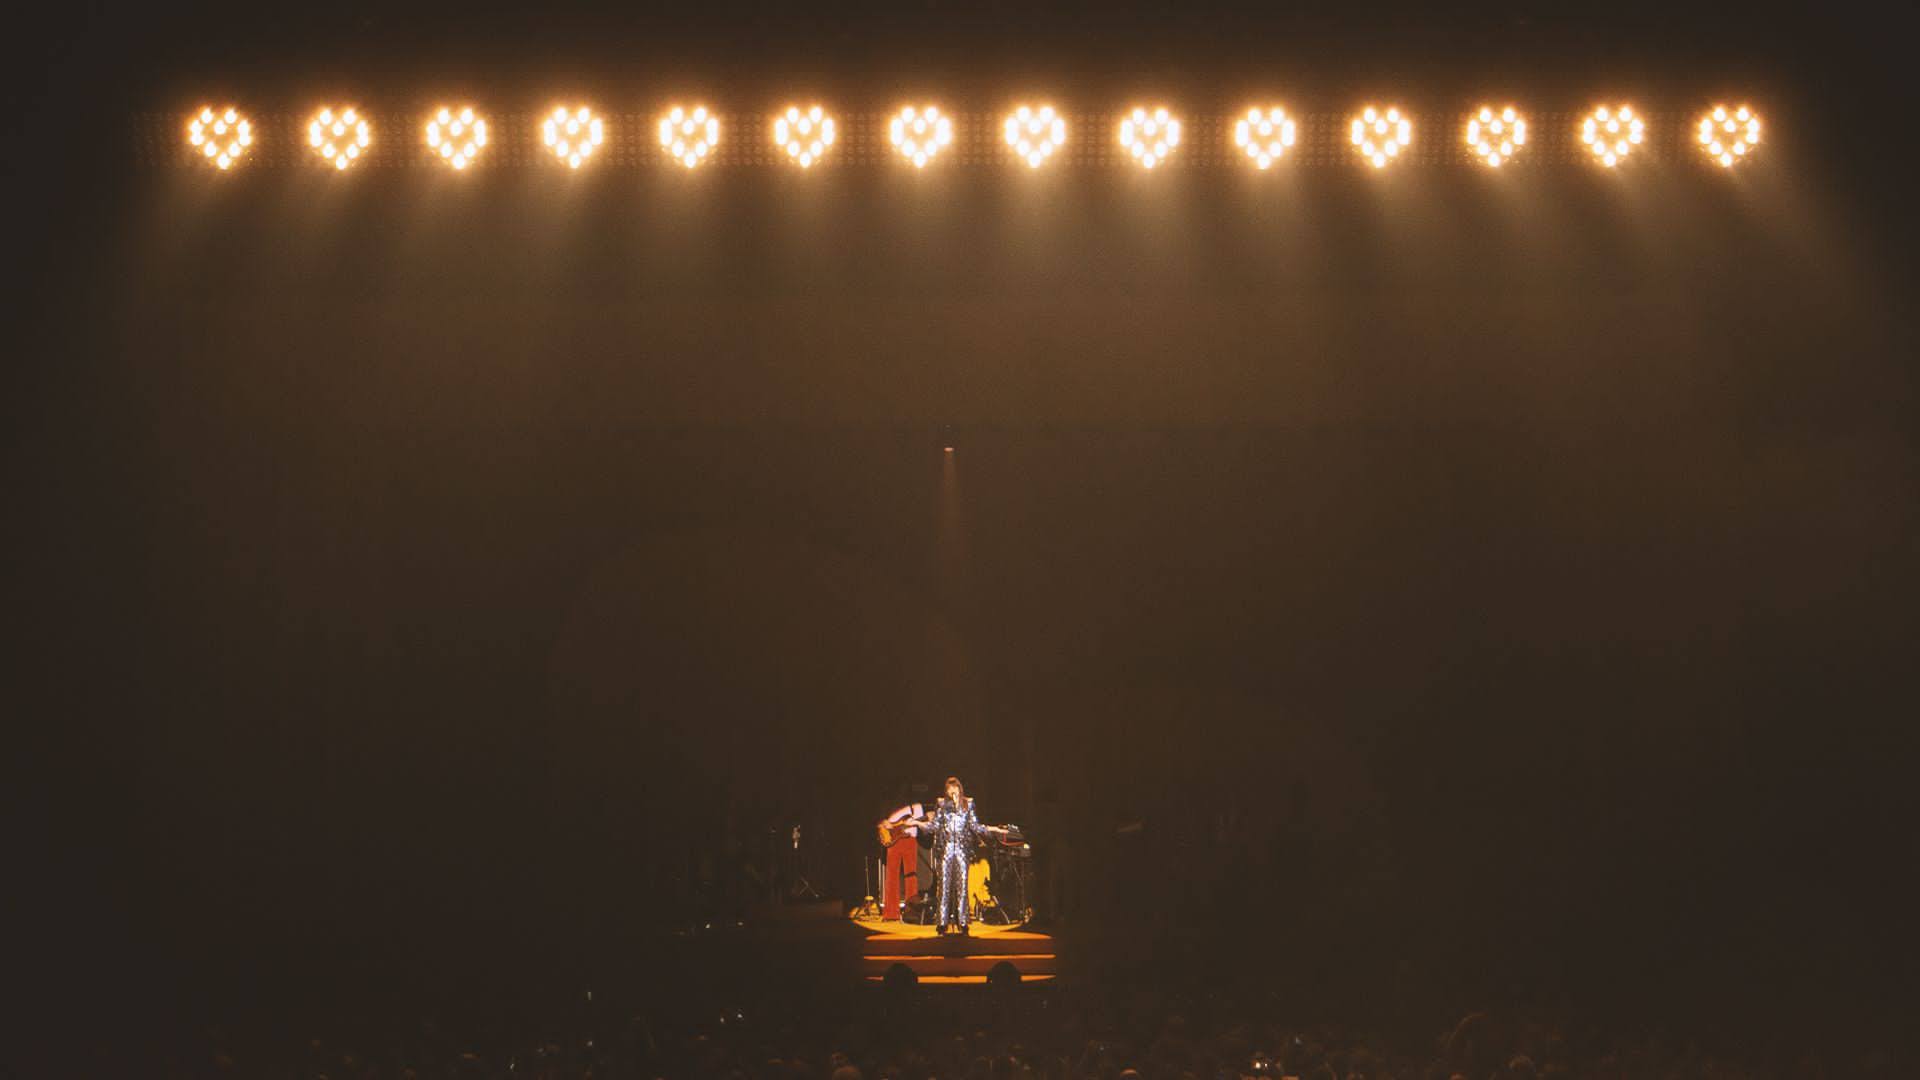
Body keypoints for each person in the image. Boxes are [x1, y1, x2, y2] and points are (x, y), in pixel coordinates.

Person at [923, 775, 1006, 935]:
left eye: (955, 787)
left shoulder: (968, 804)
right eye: (949, 788)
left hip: (962, 849)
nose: (952, 791)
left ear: (959, 789)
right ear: (946, 791)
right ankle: (942, 923)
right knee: (944, 886)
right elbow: (935, 825)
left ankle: (963, 922)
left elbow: (974, 825)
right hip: (946, 849)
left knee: (962, 886)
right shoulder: (941, 804)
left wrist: (992, 829)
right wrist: (919, 825)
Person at [878, 799, 926, 920]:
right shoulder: (890, 803)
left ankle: (911, 912)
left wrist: (925, 820)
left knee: (911, 876)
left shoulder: (917, 806)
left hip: (910, 840)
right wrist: (884, 822)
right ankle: (891, 913)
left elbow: (922, 825)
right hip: (893, 840)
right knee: (891, 876)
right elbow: (881, 819)